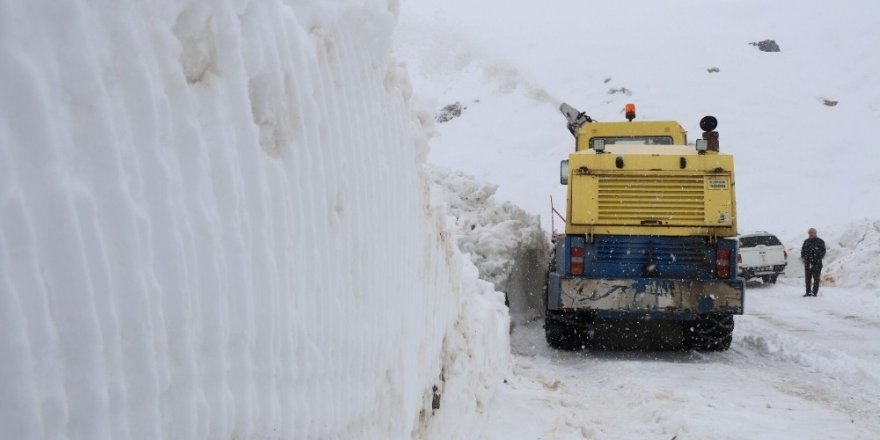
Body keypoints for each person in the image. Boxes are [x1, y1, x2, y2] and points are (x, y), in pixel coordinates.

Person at [800, 228, 826, 297]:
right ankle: (808, 292)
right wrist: (804, 258)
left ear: (815, 233)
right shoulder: (806, 241)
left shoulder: (820, 241)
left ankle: (814, 293)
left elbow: (823, 252)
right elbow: (802, 251)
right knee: (808, 278)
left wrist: (816, 257)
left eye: (812, 233)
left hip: (816, 264)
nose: (811, 234)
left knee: (816, 279)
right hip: (807, 264)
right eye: (810, 233)